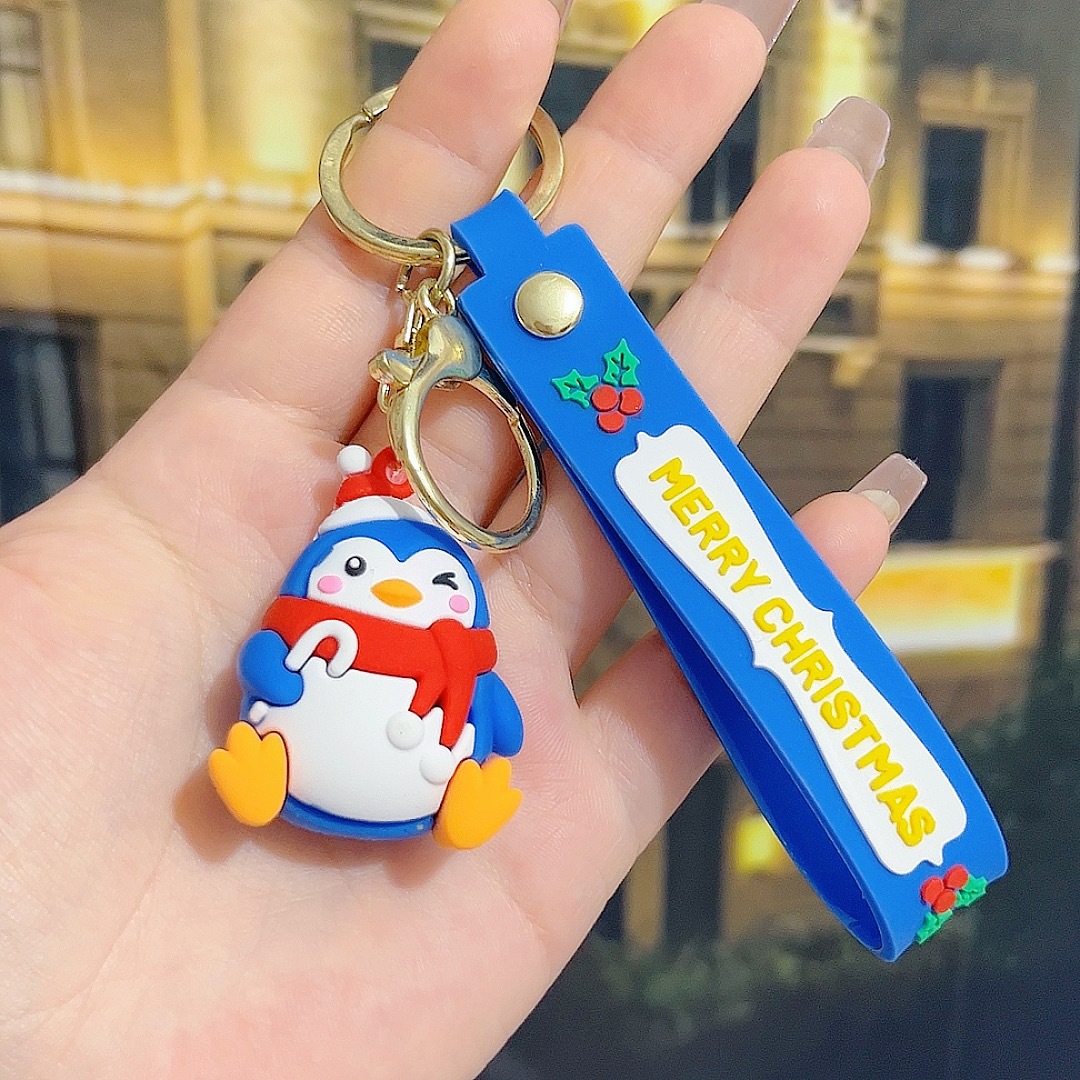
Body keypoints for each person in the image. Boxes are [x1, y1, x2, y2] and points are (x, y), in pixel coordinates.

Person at [0, 0, 917, 1075]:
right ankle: (276, 774)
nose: (395, 593)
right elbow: (283, 666)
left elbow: (485, 710)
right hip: (300, 766)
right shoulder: (341, 619)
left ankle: (426, 791)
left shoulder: (422, 629)